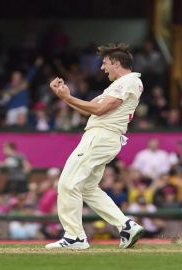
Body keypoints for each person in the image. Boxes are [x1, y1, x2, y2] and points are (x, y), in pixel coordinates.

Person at [46, 43, 144, 250]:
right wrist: (64, 95)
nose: (102, 67)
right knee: (88, 188)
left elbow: (99, 109)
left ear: (116, 63)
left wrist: (67, 97)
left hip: (100, 137)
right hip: (104, 137)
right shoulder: (121, 84)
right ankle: (126, 226)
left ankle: (75, 237)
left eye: (105, 63)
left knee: (67, 183)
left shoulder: (127, 82)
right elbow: (89, 109)